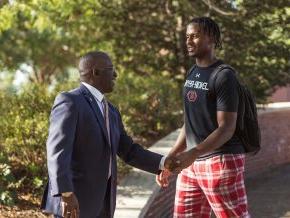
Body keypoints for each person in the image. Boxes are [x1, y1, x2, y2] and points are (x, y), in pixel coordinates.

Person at [40, 51, 179, 218]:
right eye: (111, 69)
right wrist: (66, 193)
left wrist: (163, 163)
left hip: (104, 203)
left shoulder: (111, 111)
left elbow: (129, 151)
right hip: (75, 202)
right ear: (96, 72)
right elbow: (57, 151)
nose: (115, 74)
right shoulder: (70, 101)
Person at [156, 17, 250, 217]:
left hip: (221, 160)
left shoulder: (224, 75)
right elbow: (190, 123)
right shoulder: (193, 72)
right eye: (187, 36)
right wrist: (172, 155)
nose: (189, 41)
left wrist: (194, 152)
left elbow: (226, 128)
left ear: (212, 39)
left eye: (195, 36)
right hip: (192, 163)